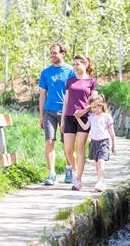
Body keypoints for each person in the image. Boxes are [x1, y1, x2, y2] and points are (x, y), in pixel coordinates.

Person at [39, 43, 76, 185]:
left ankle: (69, 169)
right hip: (49, 111)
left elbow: (74, 93)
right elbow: (42, 95)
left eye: (55, 53)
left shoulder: (71, 71)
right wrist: (41, 115)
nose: (52, 55)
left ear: (63, 54)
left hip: (66, 112)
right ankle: (52, 174)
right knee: (49, 141)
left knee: (67, 144)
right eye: (51, 53)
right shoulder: (45, 72)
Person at [61, 55, 97, 191]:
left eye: (78, 64)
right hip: (70, 116)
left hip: (84, 118)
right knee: (68, 150)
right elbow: (66, 101)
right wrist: (63, 119)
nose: (75, 67)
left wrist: (84, 111)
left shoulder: (91, 82)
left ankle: (78, 179)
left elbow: (95, 101)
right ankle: (77, 172)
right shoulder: (70, 81)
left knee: (80, 148)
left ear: (85, 65)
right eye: (74, 64)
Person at [74, 94, 116, 192]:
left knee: (101, 162)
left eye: (94, 107)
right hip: (93, 142)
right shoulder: (92, 116)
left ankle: (100, 181)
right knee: (97, 164)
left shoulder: (107, 117)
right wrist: (77, 118)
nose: (93, 110)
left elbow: (112, 132)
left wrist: (114, 145)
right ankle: (100, 182)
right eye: (91, 107)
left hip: (103, 142)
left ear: (101, 105)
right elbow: (85, 127)